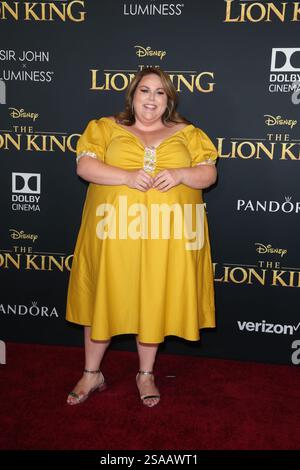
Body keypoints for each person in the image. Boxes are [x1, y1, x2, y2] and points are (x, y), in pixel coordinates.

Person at [66, 67, 218, 408]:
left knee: (153, 298)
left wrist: (180, 173)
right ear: (132, 95)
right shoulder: (104, 128)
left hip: (168, 237)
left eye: (160, 92)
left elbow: (208, 174)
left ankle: (145, 374)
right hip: (114, 233)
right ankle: (92, 372)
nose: (151, 98)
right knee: (104, 295)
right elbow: (85, 167)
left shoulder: (188, 134)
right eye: (145, 91)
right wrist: (126, 176)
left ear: (169, 100)